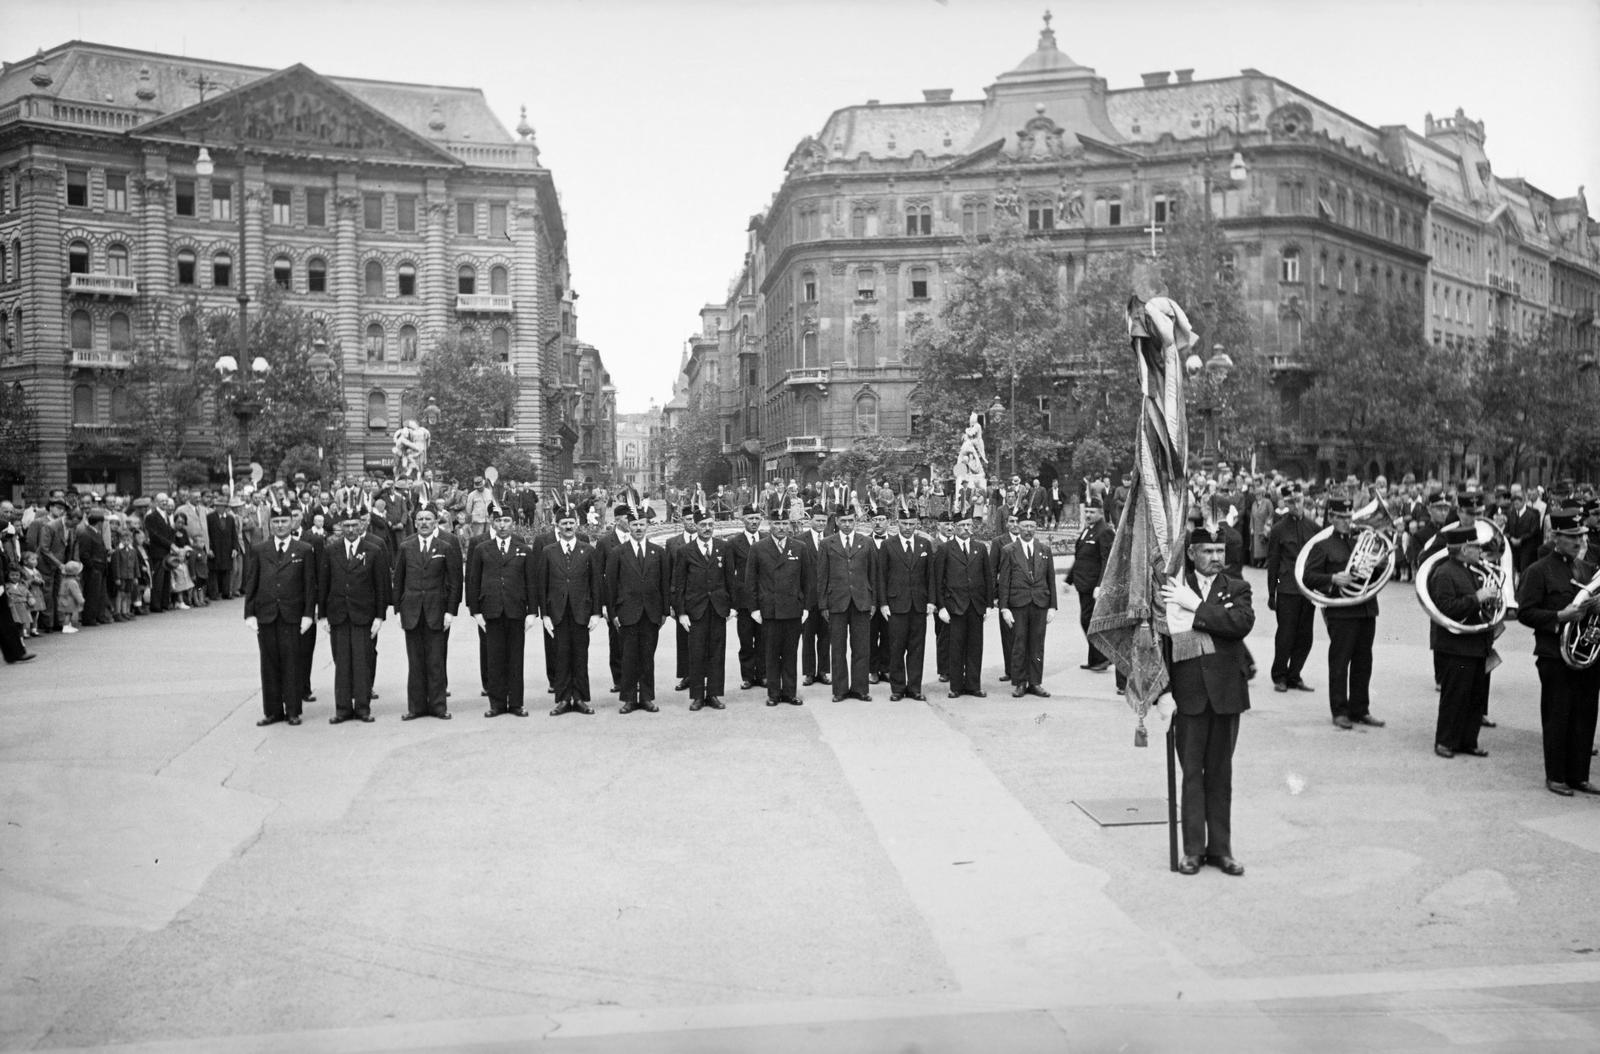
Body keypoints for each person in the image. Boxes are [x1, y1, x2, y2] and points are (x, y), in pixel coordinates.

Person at [1161, 524, 1256, 877]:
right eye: (1208, 552)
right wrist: (1161, 693)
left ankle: (1221, 850)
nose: (1216, 558)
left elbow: (1239, 624)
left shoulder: (1237, 587)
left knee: (1220, 774)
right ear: (1191, 553)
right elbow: (1163, 644)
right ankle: (1192, 851)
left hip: (1227, 695)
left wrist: (1197, 607)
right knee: (1191, 776)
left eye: (1220, 552)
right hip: (1188, 696)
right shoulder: (1173, 590)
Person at [1515, 510, 1600, 796]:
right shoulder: (1538, 571)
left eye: (1581, 536)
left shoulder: (1587, 570)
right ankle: (1556, 776)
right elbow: (1525, 612)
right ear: (1555, 537)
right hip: (1555, 654)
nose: (1578, 542)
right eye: (1572, 537)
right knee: (1558, 715)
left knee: (1585, 716)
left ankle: (1579, 775)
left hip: (1587, 655)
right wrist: (1560, 615)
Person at [1301, 496, 1386, 731]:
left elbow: (1373, 578)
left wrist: (1378, 566)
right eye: (1341, 517)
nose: (1347, 521)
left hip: (1366, 609)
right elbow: (1308, 577)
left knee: (1363, 662)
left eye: (1349, 517)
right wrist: (1332, 578)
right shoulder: (1323, 546)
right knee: (1340, 662)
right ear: (1331, 518)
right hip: (1341, 611)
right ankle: (1339, 710)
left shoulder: (1359, 542)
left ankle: (1360, 709)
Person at [1427, 525, 1497, 760]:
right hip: (1456, 646)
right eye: (1476, 547)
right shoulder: (1445, 573)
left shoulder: (1471, 569)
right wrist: (1477, 598)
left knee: (1475, 697)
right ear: (1465, 549)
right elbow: (1446, 609)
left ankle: (1469, 740)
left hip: (1476, 643)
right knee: (1455, 696)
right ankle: (1445, 741)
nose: (1480, 551)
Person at [242, 511, 317, 727]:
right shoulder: (259, 550)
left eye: (284, 521)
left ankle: (293, 710)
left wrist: (308, 615)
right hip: (266, 614)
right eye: (276, 522)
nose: (281, 525)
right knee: (269, 663)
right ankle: (273, 711)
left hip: (292, 615)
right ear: (270, 525)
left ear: (292, 523)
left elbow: (309, 585)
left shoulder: (303, 549)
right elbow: (252, 582)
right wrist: (249, 613)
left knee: (292, 662)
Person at [318, 515, 390, 724]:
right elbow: (324, 583)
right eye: (346, 526)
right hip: (338, 614)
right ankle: (342, 709)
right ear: (340, 527)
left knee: (362, 662)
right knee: (341, 663)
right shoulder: (331, 550)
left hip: (363, 614)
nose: (350, 529)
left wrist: (379, 616)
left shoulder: (373, 550)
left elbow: (380, 586)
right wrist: (322, 614)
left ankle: (362, 708)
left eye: (354, 525)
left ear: (361, 526)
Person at [466, 511, 538, 719]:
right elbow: (473, 580)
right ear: (492, 523)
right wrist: (476, 611)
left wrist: (532, 612)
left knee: (516, 658)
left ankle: (516, 703)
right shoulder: (482, 549)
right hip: (491, 610)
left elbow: (530, 581)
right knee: (495, 658)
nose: (503, 525)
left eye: (506, 520)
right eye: (498, 521)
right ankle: (496, 703)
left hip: (516, 610)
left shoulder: (523, 549)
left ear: (513, 523)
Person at [393, 508, 462, 721]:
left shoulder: (445, 547)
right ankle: (416, 707)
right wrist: (397, 610)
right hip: (412, 611)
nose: (424, 523)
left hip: (437, 611)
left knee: (435, 661)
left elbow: (454, 582)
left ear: (435, 523)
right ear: (415, 522)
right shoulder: (406, 547)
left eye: (428, 519)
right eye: (420, 519)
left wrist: (450, 611)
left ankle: (438, 706)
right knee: (415, 662)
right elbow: (398, 580)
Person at [540, 506, 604, 715]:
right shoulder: (549, 551)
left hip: (581, 612)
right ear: (557, 527)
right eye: (563, 524)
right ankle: (563, 699)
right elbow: (543, 584)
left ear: (577, 524)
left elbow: (595, 583)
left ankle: (580, 698)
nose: (568, 526)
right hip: (558, 612)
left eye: (571, 523)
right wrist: (545, 615)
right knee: (560, 655)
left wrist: (596, 613)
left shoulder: (588, 550)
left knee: (580, 655)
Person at [673, 506, 734, 710]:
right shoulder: (684, 551)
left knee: (717, 652)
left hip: (717, 609)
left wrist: (732, 607)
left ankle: (714, 694)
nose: (707, 528)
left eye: (710, 525)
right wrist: (681, 613)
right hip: (695, 610)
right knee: (697, 653)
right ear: (695, 526)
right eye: (703, 525)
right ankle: (698, 695)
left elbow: (729, 579)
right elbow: (679, 584)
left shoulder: (723, 548)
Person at [607, 513, 669, 714]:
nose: (639, 528)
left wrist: (664, 611)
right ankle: (629, 698)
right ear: (629, 527)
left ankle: (647, 697)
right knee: (629, 657)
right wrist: (612, 612)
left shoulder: (658, 552)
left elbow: (664, 583)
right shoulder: (618, 552)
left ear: (647, 526)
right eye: (635, 524)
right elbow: (610, 585)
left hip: (651, 612)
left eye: (642, 524)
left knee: (647, 656)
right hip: (627, 612)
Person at [747, 516, 813, 706]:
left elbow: (807, 580)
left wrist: (807, 607)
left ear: (789, 525)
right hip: (770, 610)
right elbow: (750, 581)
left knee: (791, 653)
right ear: (770, 525)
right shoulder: (758, 548)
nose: (781, 527)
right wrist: (754, 609)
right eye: (777, 523)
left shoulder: (799, 547)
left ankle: (790, 692)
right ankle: (774, 693)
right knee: (772, 654)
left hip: (793, 609)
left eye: (785, 523)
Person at [817, 506, 877, 701]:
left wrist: (874, 601)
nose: (847, 524)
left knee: (861, 647)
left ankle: (860, 689)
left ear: (855, 521)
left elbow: (873, 575)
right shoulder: (827, 544)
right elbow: (822, 576)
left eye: (850, 520)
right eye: (843, 521)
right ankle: (840, 690)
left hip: (861, 601)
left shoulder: (867, 542)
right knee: (838, 648)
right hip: (837, 602)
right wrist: (823, 604)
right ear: (836, 522)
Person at [877, 508, 936, 701]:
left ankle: (915, 688)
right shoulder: (888, 545)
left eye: (912, 524)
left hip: (918, 605)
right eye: (904, 524)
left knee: (917, 649)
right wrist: (883, 603)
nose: (908, 528)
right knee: (896, 648)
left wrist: (931, 601)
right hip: (896, 605)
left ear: (916, 524)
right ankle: (898, 688)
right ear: (897, 523)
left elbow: (931, 577)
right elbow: (881, 577)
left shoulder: (924, 544)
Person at [1265, 484, 1319, 693]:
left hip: (1307, 589)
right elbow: (1274, 562)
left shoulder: (1314, 528)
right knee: (1286, 634)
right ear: (1285, 504)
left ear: (1304, 500)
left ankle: (1294, 674)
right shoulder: (1279, 529)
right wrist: (1272, 592)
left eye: (1299, 500)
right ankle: (1279, 675)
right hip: (1287, 589)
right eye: (1291, 502)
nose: (1296, 505)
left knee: (1305, 635)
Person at [996, 514, 1056, 697]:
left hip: (1040, 603)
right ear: (1017, 528)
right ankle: (1020, 682)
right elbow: (1004, 581)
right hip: (1018, 604)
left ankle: (1035, 682)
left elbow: (1050, 578)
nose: (1028, 530)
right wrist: (1004, 608)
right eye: (1024, 526)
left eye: (1031, 526)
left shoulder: (1044, 549)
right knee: (1019, 643)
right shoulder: (1009, 550)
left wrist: (1052, 606)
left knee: (1037, 643)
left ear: (1036, 528)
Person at [934, 511, 992, 699]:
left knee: (975, 647)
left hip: (975, 606)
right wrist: (941, 607)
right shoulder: (946, 549)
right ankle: (956, 686)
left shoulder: (980, 548)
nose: (965, 529)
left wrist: (989, 604)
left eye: (968, 526)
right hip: (955, 606)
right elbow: (939, 580)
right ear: (955, 528)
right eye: (961, 526)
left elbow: (987, 578)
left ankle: (974, 685)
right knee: (956, 647)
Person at [1070, 503, 1115, 672]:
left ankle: (1103, 657)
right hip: (1083, 583)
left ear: (1101, 513)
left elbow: (1107, 560)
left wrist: (1100, 585)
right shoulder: (1088, 529)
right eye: (1086, 511)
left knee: (1089, 620)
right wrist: (1068, 579)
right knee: (1087, 620)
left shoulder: (1104, 531)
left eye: (1092, 512)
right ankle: (1095, 659)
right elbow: (1080, 556)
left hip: (1093, 586)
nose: (1088, 514)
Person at [595, 504, 634, 694]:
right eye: (627, 518)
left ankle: (635, 678)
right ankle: (619, 679)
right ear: (618, 519)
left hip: (635, 598)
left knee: (635, 641)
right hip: (614, 599)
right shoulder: (604, 543)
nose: (631, 522)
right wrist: (603, 603)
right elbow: (599, 575)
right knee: (616, 641)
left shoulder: (637, 538)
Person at [727, 505, 766, 690]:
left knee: (763, 639)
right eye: (750, 518)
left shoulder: (767, 539)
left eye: (757, 518)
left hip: (764, 599)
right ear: (743, 520)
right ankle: (748, 676)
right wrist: (733, 603)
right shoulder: (734, 543)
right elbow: (730, 575)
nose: (754, 522)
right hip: (743, 602)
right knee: (745, 640)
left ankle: (763, 674)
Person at [797, 504, 832, 687]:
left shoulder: (832, 540)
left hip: (827, 598)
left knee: (826, 637)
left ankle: (824, 671)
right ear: (811, 520)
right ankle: (809, 673)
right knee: (808, 636)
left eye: (823, 521)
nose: (820, 523)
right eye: (817, 520)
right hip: (808, 599)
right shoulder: (800, 540)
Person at [55, 560, 85, 633]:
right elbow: (76, 593)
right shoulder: (73, 582)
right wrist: (81, 600)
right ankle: (66, 627)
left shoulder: (64, 580)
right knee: (68, 614)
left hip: (63, 599)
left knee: (67, 614)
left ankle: (68, 626)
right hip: (69, 600)